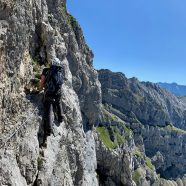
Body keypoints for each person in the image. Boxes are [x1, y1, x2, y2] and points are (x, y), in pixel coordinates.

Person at [39, 59, 64, 144]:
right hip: (58, 94)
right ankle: (60, 117)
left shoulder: (46, 70)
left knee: (48, 110)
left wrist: (40, 89)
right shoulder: (60, 72)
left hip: (49, 94)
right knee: (58, 102)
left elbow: (42, 82)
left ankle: (48, 129)